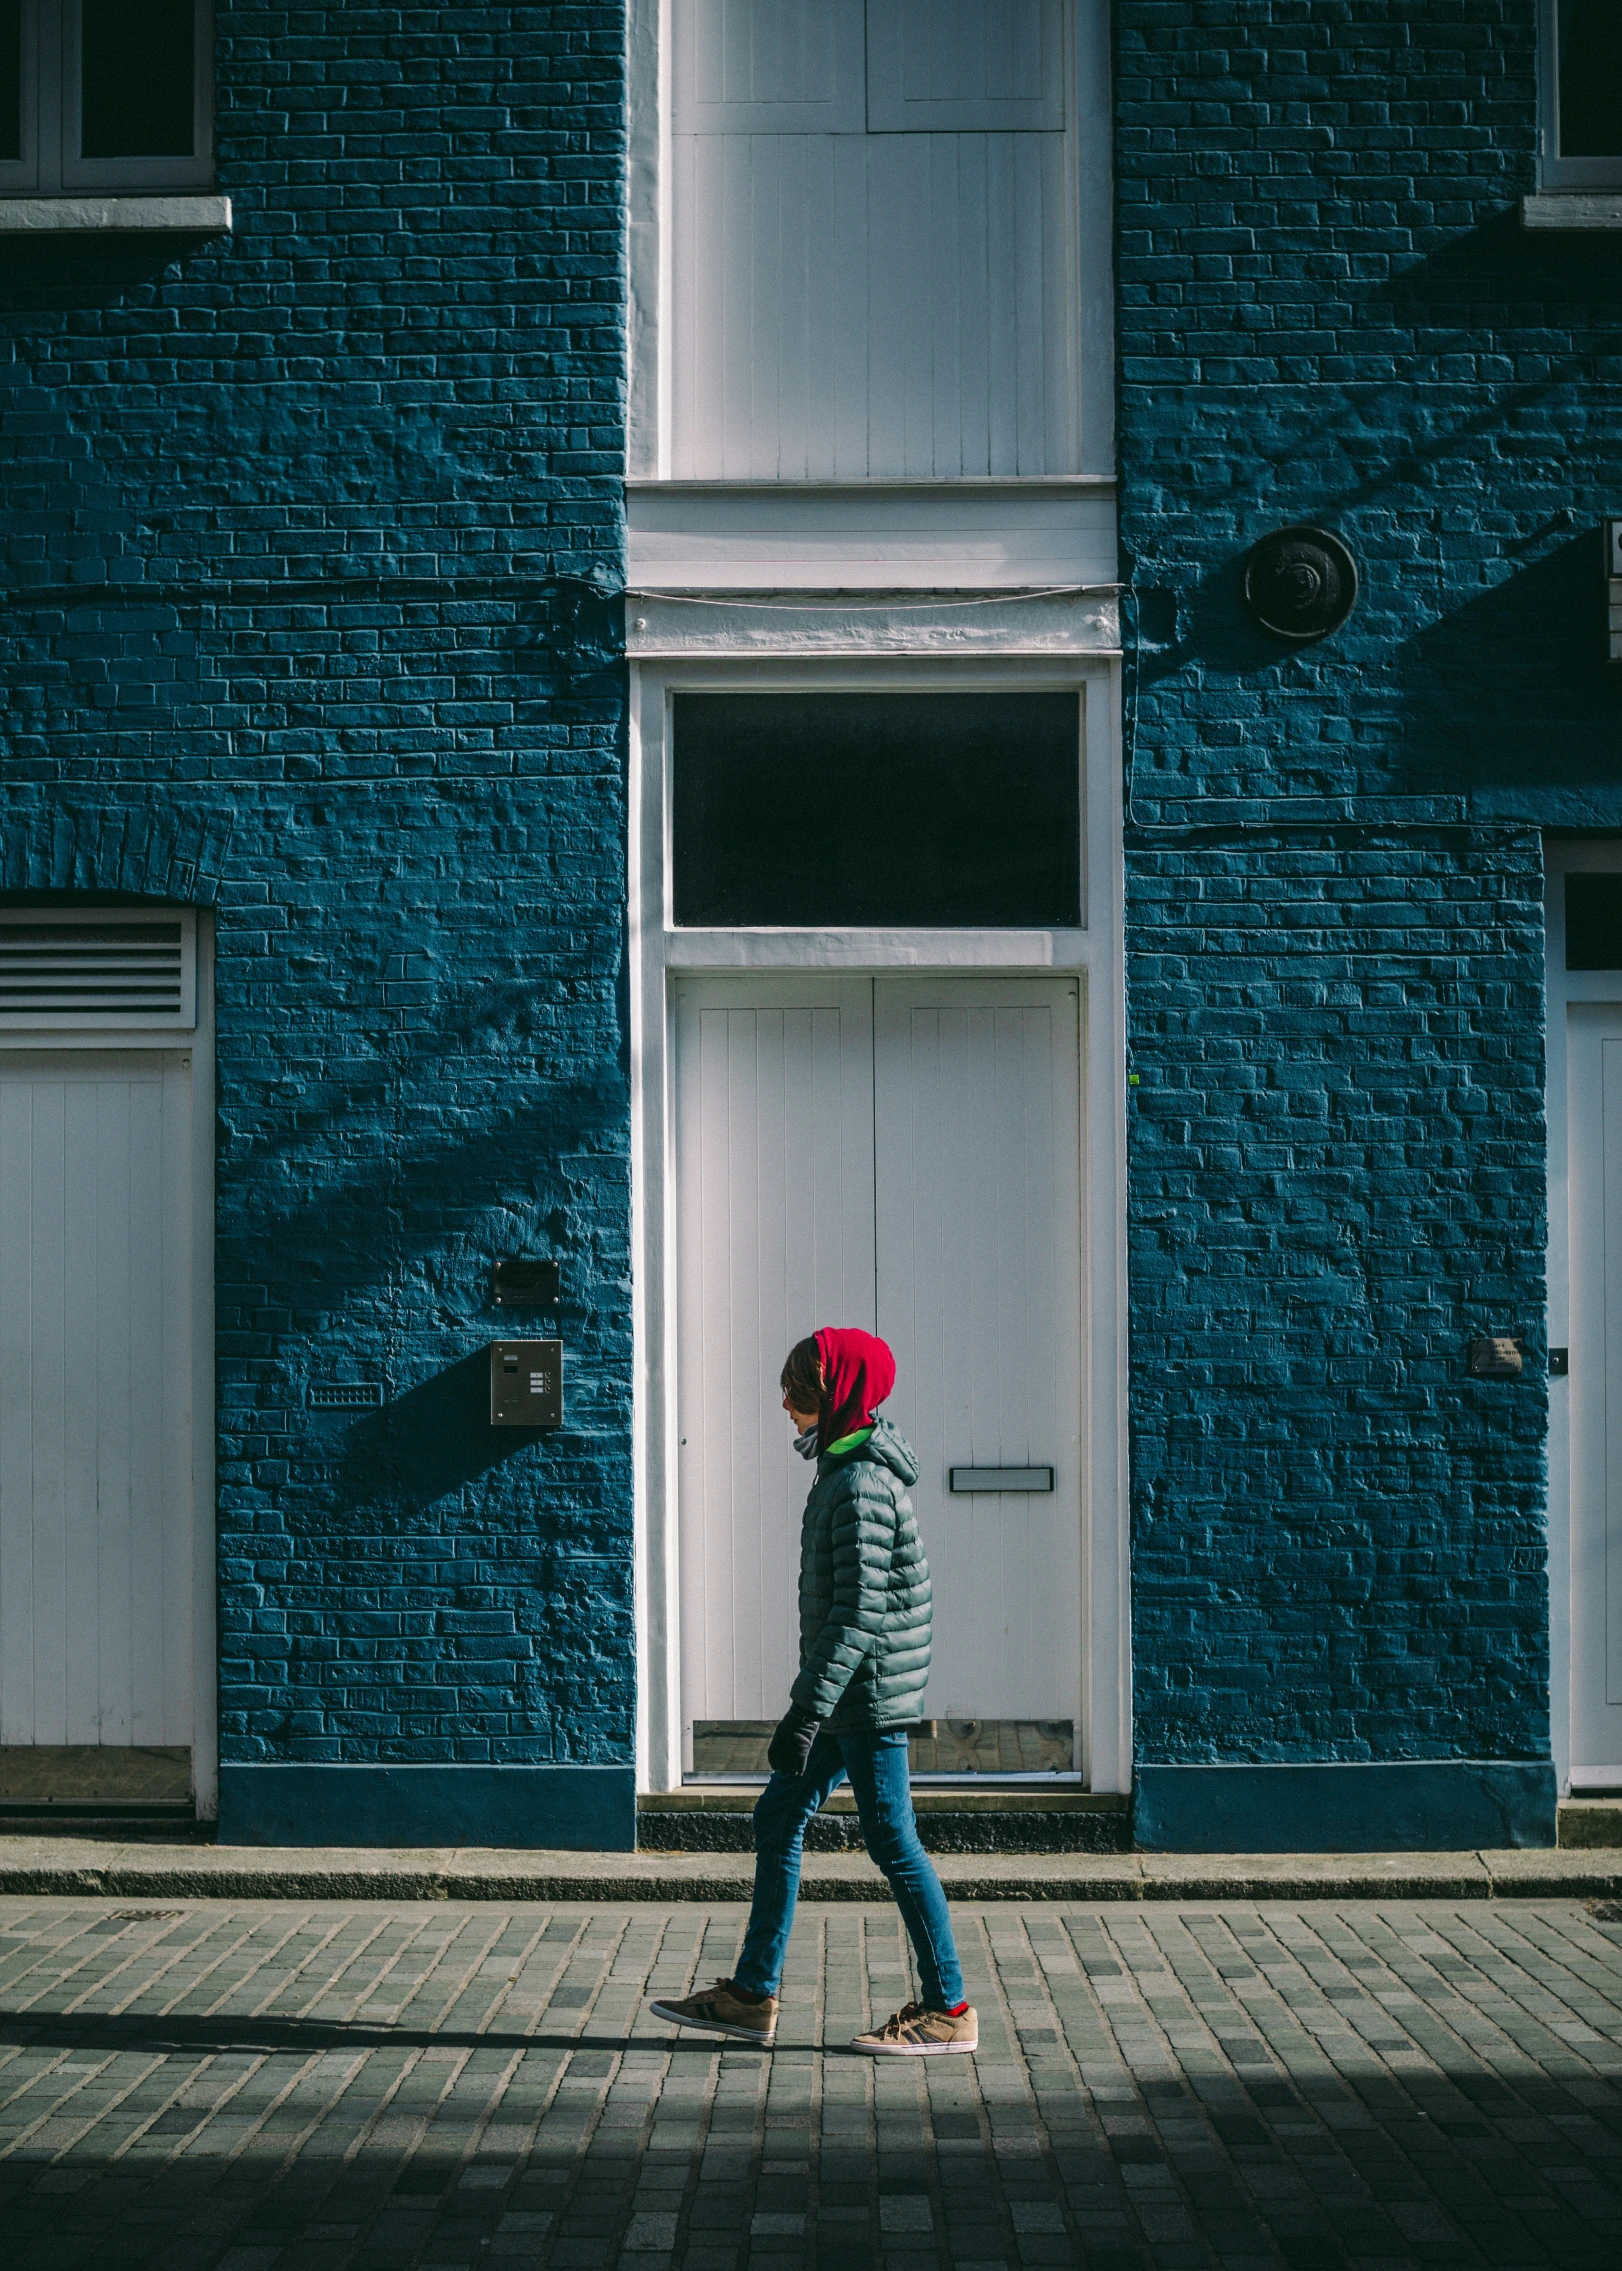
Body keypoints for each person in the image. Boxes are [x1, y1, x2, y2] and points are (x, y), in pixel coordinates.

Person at [649, 1326, 977, 2055]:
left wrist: (806, 1709)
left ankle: (949, 2007)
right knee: (778, 1817)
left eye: (799, 1390)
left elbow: (858, 1613)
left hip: (866, 1697)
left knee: (893, 1840)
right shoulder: (841, 1469)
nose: (785, 1403)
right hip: (845, 1695)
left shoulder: (861, 1484)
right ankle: (751, 1995)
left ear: (836, 1397)